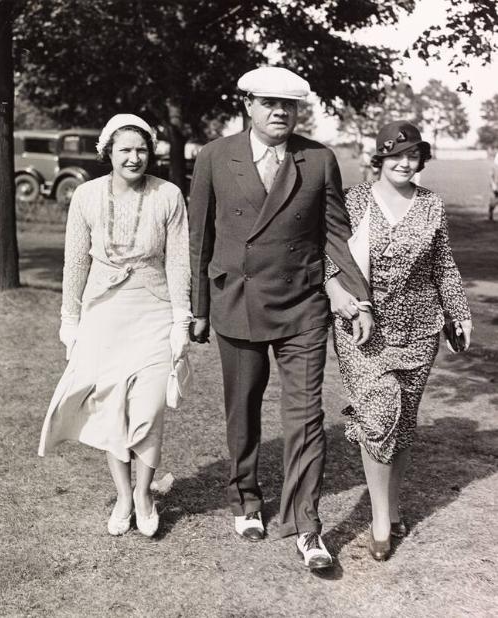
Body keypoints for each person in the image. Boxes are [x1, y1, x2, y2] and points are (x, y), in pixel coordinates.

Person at [188, 66, 374, 570]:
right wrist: (199, 308)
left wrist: (358, 297)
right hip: (236, 302)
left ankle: (308, 526)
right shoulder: (214, 156)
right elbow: (199, 237)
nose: (279, 112)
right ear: (247, 104)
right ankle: (246, 498)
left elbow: (336, 232)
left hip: (303, 306)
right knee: (242, 410)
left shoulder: (318, 158)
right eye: (269, 103)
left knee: (306, 417)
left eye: (288, 105)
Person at [38, 114, 191, 538]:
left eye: (141, 149)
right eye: (124, 149)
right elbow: (75, 261)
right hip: (103, 312)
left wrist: (182, 318)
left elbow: (179, 262)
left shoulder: (169, 195)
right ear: (108, 152)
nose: (134, 157)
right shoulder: (85, 196)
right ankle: (124, 496)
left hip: (154, 311)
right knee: (112, 411)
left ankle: (145, 495)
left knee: (148, 409)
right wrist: (70, 318)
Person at [332, 120, 472, 561]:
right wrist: (339, 295)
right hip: (363, 329)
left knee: (404, 419)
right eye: (396, 155)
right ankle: (379, 519)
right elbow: (328, 256)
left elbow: (443, 266)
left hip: (419, 329)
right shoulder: (354, 201)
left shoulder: (431, 205)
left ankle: (392, 509)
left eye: (413, 156)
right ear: (380, 158)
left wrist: (459, 313)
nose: (405, 163)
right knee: (378, 417)